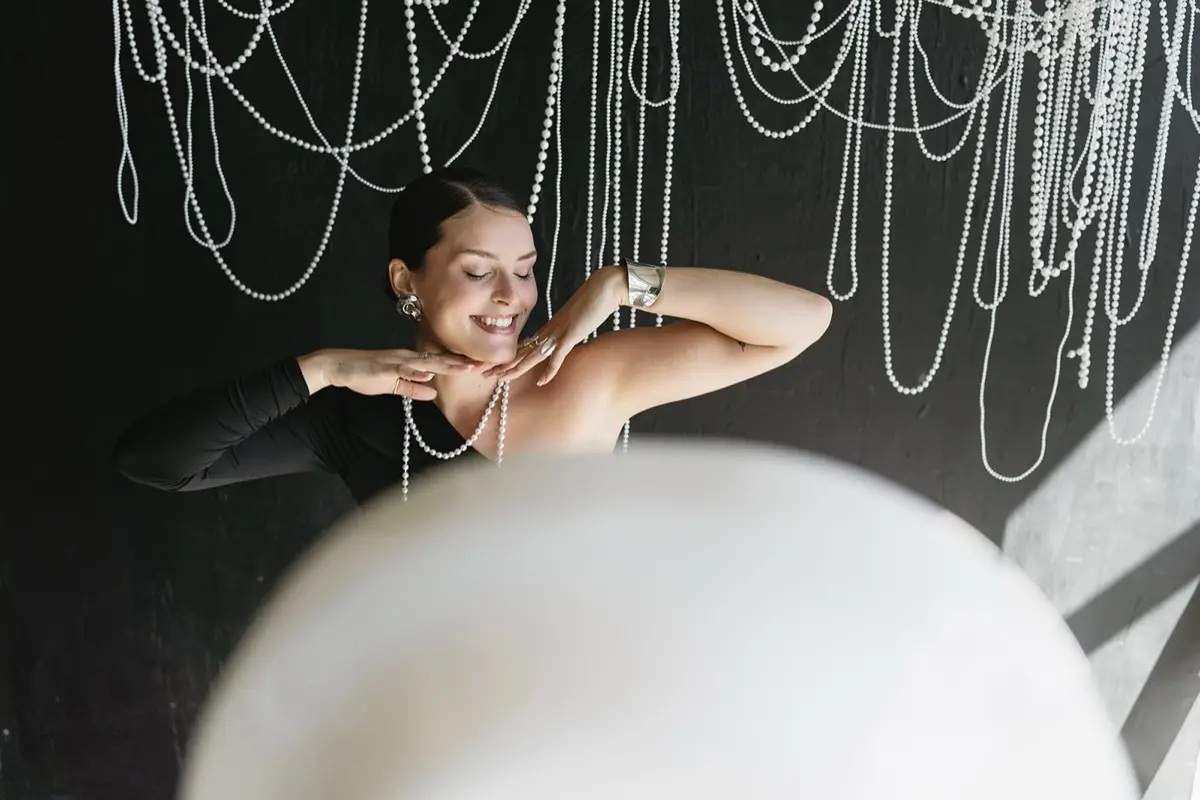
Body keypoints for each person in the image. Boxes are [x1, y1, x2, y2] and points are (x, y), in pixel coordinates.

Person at [113, 167, 833, 506]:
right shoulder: (355, 417)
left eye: (524, 270)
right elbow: (154, 462)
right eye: (479, 272)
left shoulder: (585, 380)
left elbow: (802, 323)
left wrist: (620, 285)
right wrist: (323, 367)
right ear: (407, 280)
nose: (511, 298)